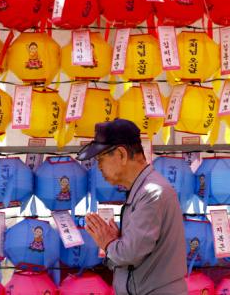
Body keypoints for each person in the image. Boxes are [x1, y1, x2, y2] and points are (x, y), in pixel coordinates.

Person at [76, 119, 187, 295]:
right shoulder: (144, 190)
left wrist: (109, 243)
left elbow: (130, 254)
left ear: (121, 154)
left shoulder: (151, 193)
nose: (99, 167)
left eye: (101, 159)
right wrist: (118, 242)